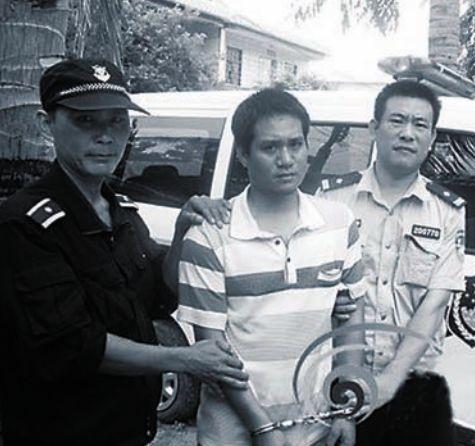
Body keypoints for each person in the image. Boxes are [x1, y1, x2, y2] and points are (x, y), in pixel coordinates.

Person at [0, 58, 247, 446]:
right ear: (45, 124)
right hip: (61, 433)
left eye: (117, 121)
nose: (105, 136)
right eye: (85, 121)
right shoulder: (24, 223)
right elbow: (72, 345)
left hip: (129, 429)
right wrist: (185, 358)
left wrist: (183, 230)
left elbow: (160, 298)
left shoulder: (123, 214)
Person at [175, 89, 366, 446]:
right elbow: (214, 351)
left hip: (316, 428)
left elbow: (352, 320)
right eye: (270, 147)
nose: (286, 159)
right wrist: (262, 429)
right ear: (243, 154)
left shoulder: (340, 224)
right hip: (232, 433)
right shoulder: (209, 236)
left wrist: (345, 407)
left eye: (296, 144)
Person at [319, 80, 465, 445]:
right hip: (340, 380)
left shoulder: (447, 211)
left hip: (413, 386)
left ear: (431, 137)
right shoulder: (332, 200)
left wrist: (389, 382)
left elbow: (435, 303)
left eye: (420, 124)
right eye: (397, 120)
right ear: (374, 128)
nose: (407, 133)